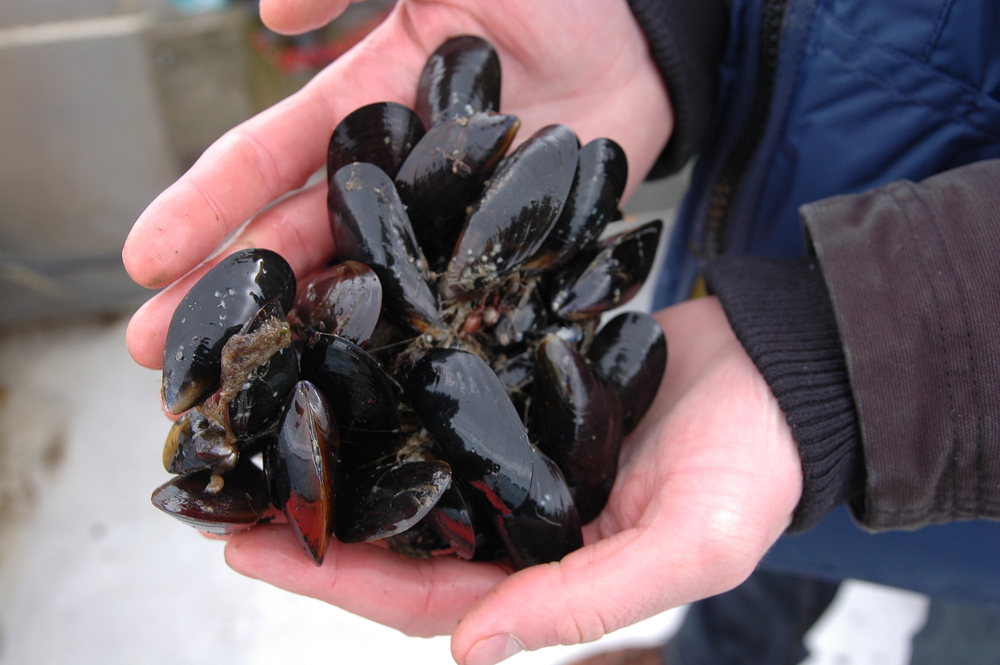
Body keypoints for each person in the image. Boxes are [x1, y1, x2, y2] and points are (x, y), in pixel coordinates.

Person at [121, 0, 1000, 664]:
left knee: (965, 629)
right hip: (779, 270)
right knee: (765, 558)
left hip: (973, 469)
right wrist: (664, 17)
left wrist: (866, 355)